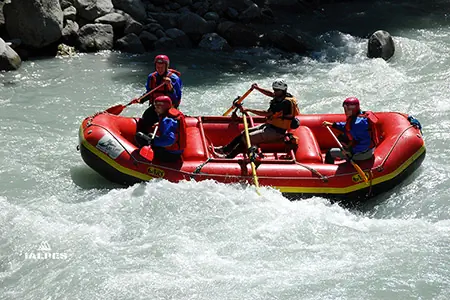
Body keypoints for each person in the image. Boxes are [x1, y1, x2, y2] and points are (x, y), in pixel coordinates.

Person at [214, 79, 300, 158]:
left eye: (277, 90)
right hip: (271, 126)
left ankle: (228, 157)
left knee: (248, 137)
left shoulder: (285, 103)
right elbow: (270, 94)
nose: (275, 92)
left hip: (277, 131)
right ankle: (225, 149)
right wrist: (258, 88)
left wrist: (248, 109)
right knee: (244, 133)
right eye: (274, 89)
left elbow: (266, 113)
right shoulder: (282, 96)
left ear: (283, 90)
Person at [133, 54, 183, 133]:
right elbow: (150, 93)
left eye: (162, 67)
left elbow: (176, 100)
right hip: (156, 107)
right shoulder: (151, 77)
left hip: (169, 108)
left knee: (166, 125)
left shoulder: (174, 79)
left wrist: (170, 86)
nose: (159, 69)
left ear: (166, 66)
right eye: (157, 67)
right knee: (146, 118)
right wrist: (140, 100)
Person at [322, 97, 375, 164]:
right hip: (363, 149)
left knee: (330, 153)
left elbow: (365, 143)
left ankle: (328, 171)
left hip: (363, 153)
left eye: (348, 109)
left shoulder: (358, 124)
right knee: (342, 137)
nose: (345, 111)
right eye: (345, 108)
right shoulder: (359, 116)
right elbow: (347, 126)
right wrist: (333, 125)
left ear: (354, 109)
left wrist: (350, 151)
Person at [136, 96, 186, 163]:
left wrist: (154, 142)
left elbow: (170, 140)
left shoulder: (167, 120)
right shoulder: (170, 115)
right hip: (175, 152)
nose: (155, 110)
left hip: (169, 155)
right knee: (150, 135)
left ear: (162, 107)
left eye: (157, 107)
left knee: (139, 135)